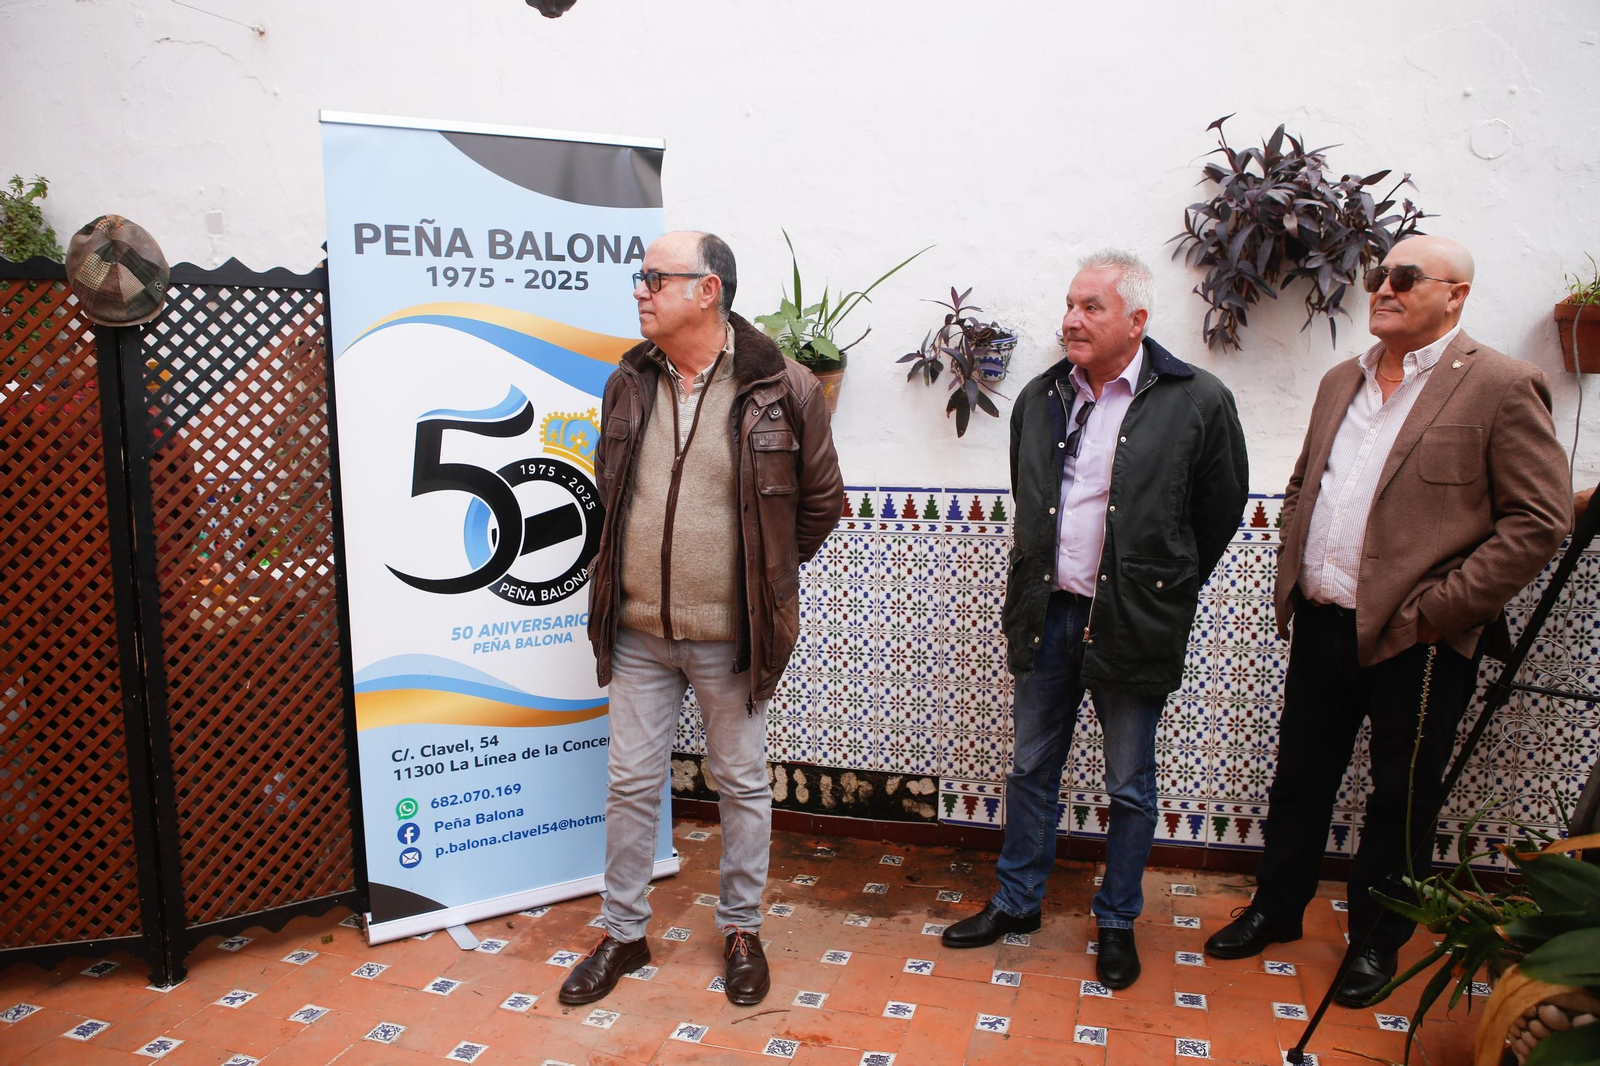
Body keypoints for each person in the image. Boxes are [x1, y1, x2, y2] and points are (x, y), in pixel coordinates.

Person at [1204, 235, 1571, 1006]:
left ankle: (1377, 941)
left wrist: (1443, 611)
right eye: (1380, 276)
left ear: (1456, 295)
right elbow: (1309, 480)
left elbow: (1538, 520)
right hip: (1324, 620)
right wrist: (1297, 572)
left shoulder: (1503, 385)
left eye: (1407, 277)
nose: (1385, 288)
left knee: (1402, 799)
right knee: (1301, 778)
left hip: (1422, 637)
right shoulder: (1344, 378)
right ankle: (1276, 909)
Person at [942, 250, 1248, 990]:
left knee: (1130, 785)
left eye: (1092, 307)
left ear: (1137, 320)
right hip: (1049, 615)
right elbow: (1030, 496)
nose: (1072, 320)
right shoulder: (1042, 397)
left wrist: (1159, 587)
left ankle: (1116, 920)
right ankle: (1017, 903)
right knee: (1030, 770)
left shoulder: (1197, 399)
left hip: (1132, 619)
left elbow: (1220, 511)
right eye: (1071, 305)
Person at [560, 231, 844, 1007]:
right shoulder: (629, 381)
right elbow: (610, 493)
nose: (641, 289)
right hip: (638, 631)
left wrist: (763, 583)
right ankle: (624, 933)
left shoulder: (782, 387)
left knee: (742, 784)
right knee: (629, 785)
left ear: (707, 290)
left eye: (656, 277)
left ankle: (743, 930)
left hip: (731, 637)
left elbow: (820, 506)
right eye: (641, 277)